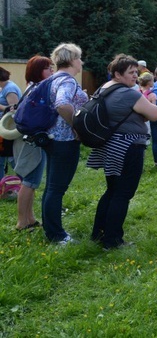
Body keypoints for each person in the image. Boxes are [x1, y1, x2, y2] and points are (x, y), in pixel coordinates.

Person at [87, 55, 157, 249]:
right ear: (117, 74)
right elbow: (156, 114)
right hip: (128, 147)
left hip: (110, 145)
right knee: (123, 193)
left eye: (136, 72)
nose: (135, 76)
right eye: (130, 72)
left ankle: (98, 233)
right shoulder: (129, 94)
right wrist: (148, 105)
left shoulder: (103, 88)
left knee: (112, 190)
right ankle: (112, 240)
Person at [42, 43, 89, 244]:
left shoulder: (53, 79)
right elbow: (62, 105)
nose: (82, 62)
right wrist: (75, 127)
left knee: (51, 187)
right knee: (56, 188)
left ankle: (50, 229)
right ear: (71, 60)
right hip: (65, 141)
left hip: (51, 138)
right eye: (79, 58)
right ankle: (56, 235)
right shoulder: (68, 81)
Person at [13, 56, 53, 230]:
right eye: (47, 68)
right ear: (38, 71)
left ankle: (30, 218)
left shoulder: (32, 88)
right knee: (29, 181)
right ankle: (22, 222)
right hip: (32, 141)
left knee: (32, 181)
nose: (52, 71)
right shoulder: (39, 89)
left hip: (28, 140)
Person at [0, 66, 22, 176]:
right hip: (4, 128)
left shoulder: (9, 89)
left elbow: (13, 110)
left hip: (7, 129)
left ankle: (23, 181)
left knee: (9, 157)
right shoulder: (5, 88)